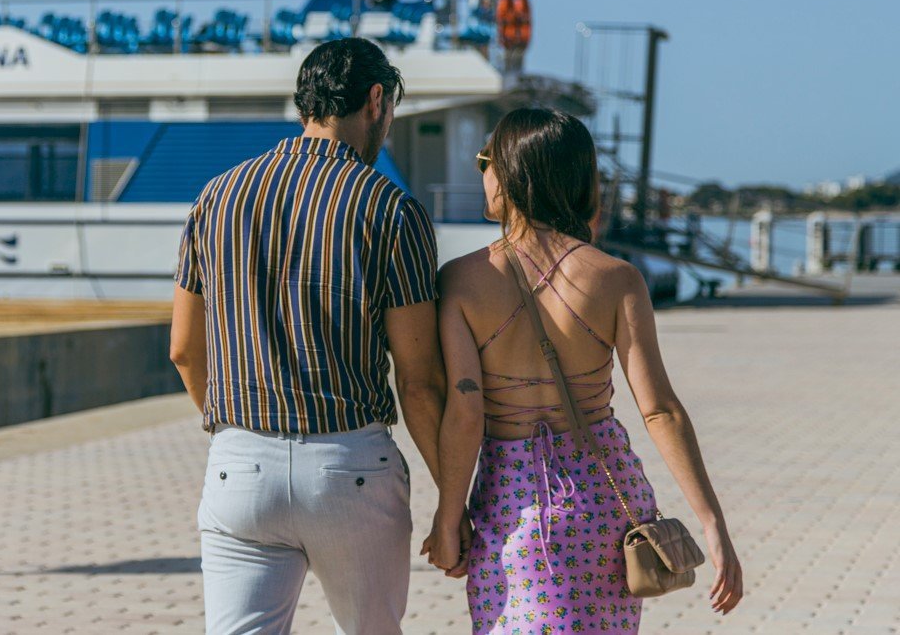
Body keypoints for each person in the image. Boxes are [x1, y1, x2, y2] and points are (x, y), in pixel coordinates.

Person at [423, 108, 743, 632]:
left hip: (512, 503)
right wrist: (714, 526)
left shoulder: (461, 282)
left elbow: (465, 413)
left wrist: (448, 515)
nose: (481, 173)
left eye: (486, 161)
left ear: (510, 173)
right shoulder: (618, 279)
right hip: (606, 496)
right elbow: (660, 411)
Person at [170, 37, 445, 635]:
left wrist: (239, 434)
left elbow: (184, 351)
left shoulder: (216, 198)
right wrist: (453, 499)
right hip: (350, 466)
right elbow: (419, 380)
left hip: (238, 464)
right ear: (376, 101)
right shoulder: (391, 210)